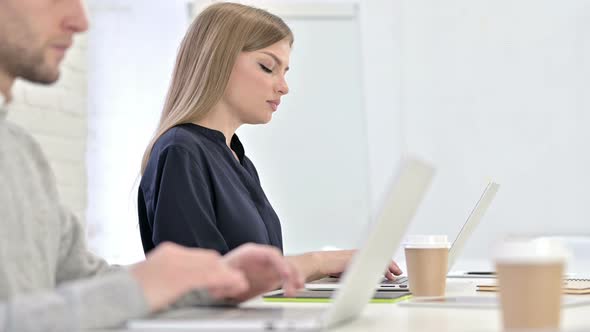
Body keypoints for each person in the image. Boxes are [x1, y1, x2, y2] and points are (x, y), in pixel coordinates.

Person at [0, 0, 303, 331]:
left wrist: (205, 281)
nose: (80, 21)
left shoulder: (22, 153)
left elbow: (84, 280)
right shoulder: (181, 149)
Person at [138, 2, 402, 282]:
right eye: (267, 67)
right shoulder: (181, 151)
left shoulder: (237, 159)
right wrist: (319, 262)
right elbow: (203, 283)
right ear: (218, 60)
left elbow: (253, 278)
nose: (283, 87)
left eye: (285, 72)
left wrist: (320, 274)